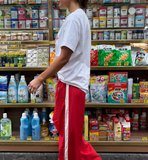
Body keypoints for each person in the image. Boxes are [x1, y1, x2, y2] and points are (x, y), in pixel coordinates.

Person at [27, 0, 102, 159]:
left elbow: (63, 58)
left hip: (71, 86)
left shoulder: (74, 18)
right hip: (71, 85)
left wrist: (39, 79)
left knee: (70, 141)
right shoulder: (78, 17)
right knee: (73, 138)